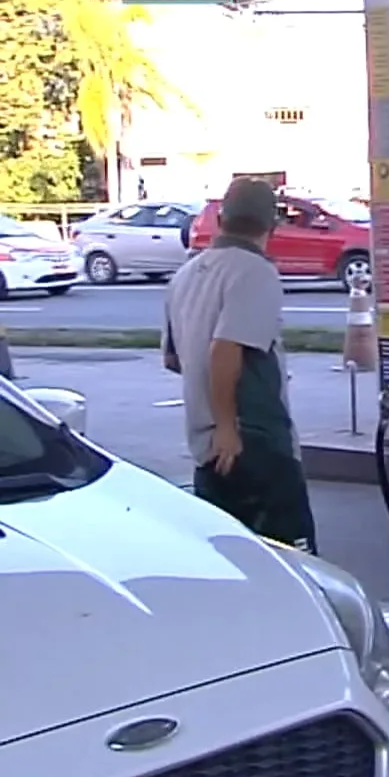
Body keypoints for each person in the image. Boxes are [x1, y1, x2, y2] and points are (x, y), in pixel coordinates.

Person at [162, 177, 318, 552]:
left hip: (206, 449)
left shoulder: (185, 276)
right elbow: (226, 349)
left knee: (234, 560)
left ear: (221, 219)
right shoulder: (255, 272)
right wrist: (229, 426)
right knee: (294, 563)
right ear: (272, 225)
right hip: (254, 443)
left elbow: (174, 359)